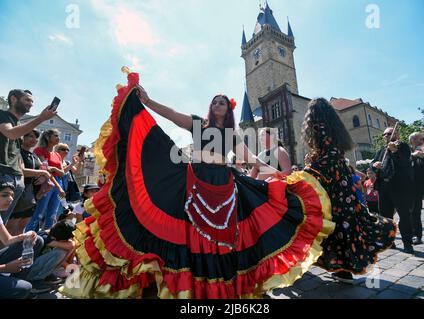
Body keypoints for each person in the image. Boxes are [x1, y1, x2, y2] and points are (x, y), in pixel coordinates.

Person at [60, 70, 334, 299]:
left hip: (225, 186)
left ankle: (216, 287)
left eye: (222, 102)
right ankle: (188, 284)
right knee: (191, 234)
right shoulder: (198, 124)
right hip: (194, 183)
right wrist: (148, 101)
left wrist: (278, 173)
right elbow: (171, 115)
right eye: (214, 101)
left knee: (223, 238)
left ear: (228, 110)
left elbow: (248, 158)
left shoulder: (232, 134)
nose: (217, 105)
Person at [300, 98, 396, 284]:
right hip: (342, 182)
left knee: (335, 222)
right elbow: (334, 155)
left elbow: (329, 156)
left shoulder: (319, 126)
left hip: (333, 184)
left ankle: (343, 269)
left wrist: (309, 169)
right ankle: (344, 270)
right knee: (346, 222)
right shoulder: (334, 127)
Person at [0, 89, 56, 225]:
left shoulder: (19, 124)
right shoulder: (3, 115)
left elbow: (16, 153)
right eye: (27, 100)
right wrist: (41, 118)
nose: (31, 104)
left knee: (4, 223)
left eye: (32, 101)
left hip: (16, 177)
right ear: (13, 99)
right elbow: (10, 133)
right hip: (3, 175)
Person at [371, 127, 415, 254]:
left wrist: (395, 151)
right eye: (384, 134)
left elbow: (405, 163)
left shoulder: (403, 147)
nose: (386, 136)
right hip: (383, 188)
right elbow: (372, 164)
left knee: (404, 216)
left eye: (389, 133)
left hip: (399, 187)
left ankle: (408, 243)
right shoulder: (381, 150)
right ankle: (390, 241)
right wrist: (374, 166)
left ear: (397, 134)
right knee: (385, 218)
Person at [6, 129, 52, 235]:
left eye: (36, 137)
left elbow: (45, 170)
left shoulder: (34, 155)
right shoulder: (17, 152)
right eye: (30, 136)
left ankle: (14, 251)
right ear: (23, 137)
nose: (34, 139)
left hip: (32, 196)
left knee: (21, 228)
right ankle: (3, 251)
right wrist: (42, 173)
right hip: (19, 193)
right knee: (10, 228)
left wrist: (43, 177)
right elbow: (22, 171)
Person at [25, 129, 66, 232]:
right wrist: (59, 186)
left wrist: (55, 169)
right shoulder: (40, 150)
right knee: (39, 211)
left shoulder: (57, 154)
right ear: (48, 137)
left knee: (53, 213)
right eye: (55, 135)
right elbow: (45, 170)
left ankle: (47, 239)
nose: (58, 138)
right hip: (46, 183)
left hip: (57, 183)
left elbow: (62, 173)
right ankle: (28, 238)